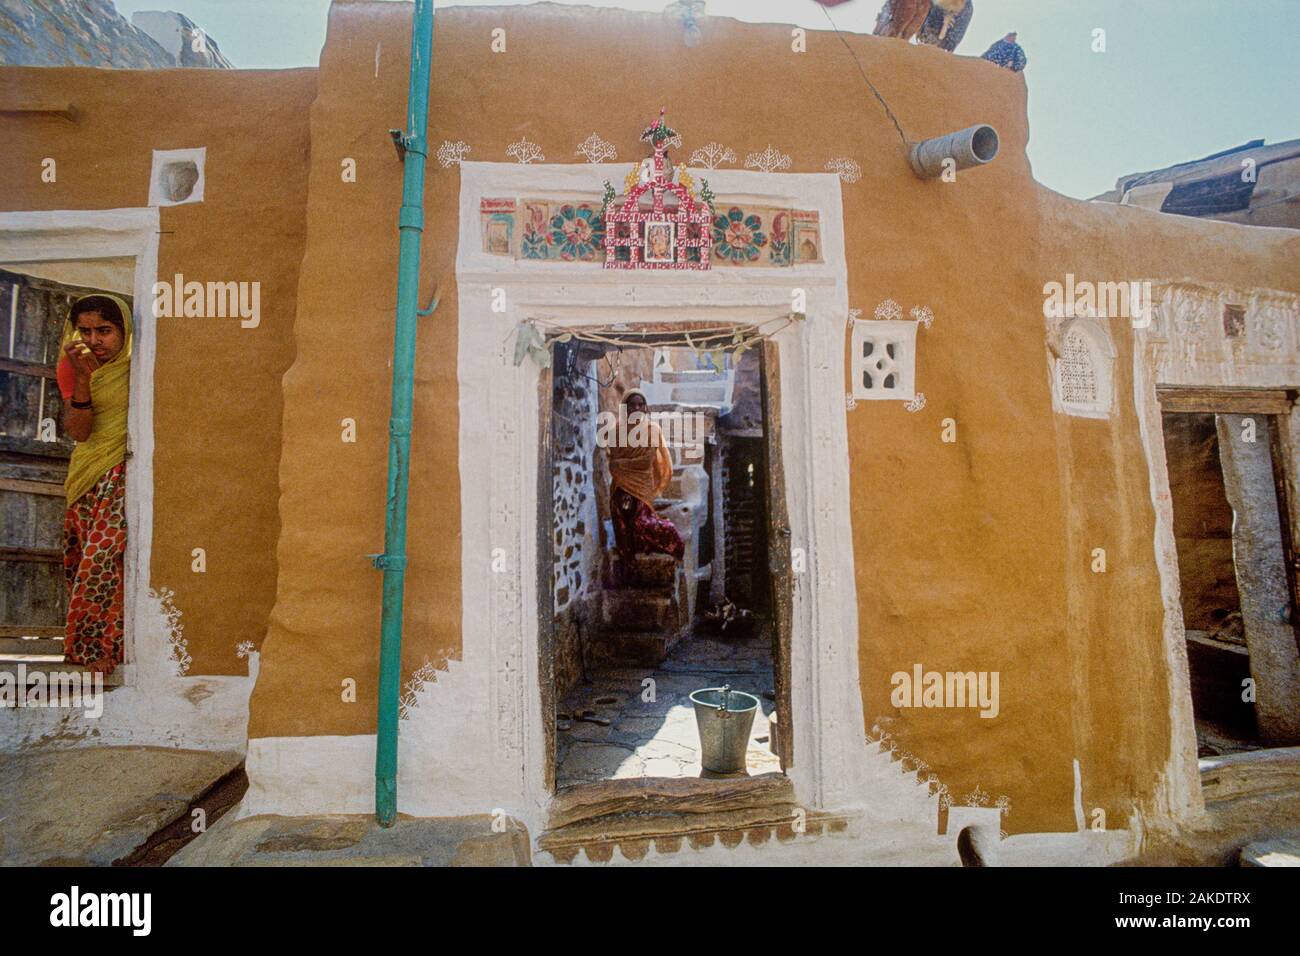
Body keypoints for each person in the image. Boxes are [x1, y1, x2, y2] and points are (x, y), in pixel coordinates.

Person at [56, 293, 132, 674]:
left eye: (105, 330)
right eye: (84, 331)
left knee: (105, 563)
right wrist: (84, 378)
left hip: (122, 474)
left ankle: (107, 650)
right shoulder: (72, 368)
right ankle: (84, 648)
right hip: (87, 476)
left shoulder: (139, 366)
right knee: (83, 561)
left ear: (124, 331)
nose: (94, 340)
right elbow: (80, 432)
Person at [607, 388, 685, 579]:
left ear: (646, 408)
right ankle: (629, 566)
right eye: (632, 404)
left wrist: (620, 464)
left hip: (642, 487)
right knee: (625, 525)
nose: (637, 408)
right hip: (621, 488)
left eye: (641, 404)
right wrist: (620, 465)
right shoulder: (615, 431)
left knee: (641, 524)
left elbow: (645, 461)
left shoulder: (652, 430)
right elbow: (613, 465)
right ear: (625, 407)